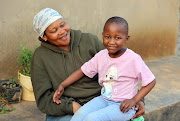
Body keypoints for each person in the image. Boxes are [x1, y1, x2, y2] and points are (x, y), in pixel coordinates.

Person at [31, 8, 145, 121]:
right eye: (54, 30)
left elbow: (124, 70)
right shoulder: (40, 57)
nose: (62, 31)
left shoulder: (89, 41)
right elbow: (44, 100)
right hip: (66, 112)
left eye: (62, 25)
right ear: (44, 37)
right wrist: (72, 106)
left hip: (102, 103)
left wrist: (138, 100)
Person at [53, 16, 156, 121]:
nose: (111, 42)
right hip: (104, 99)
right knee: (80, 114)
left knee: (92, 118)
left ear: (126, 38)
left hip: (124, 106)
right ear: (102, 35)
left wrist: (134, 100)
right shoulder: (101, 56)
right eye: (107, 37)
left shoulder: (133, 58)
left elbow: (151, 81)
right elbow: (82, 71)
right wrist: (63, 85)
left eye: (117, 38)